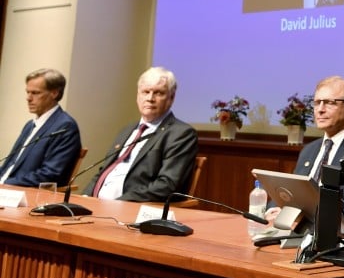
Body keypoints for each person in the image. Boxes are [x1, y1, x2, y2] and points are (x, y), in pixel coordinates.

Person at [264, 75, 344, 225]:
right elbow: (292, 194)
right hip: (296, 230)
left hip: (335, 234)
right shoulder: (308, 150)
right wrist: (272, 210)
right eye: (316, 103)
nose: (320, 110)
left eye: (329, 103)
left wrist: (313, 214)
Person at [83, 67, 198, 202]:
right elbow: (103, 171)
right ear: (138, 95)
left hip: (131, 209)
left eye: (158, 93)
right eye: (145, 92)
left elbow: (167, 185)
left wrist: (120, 202)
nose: (150, 98)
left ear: (171, 98)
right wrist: (84, 198)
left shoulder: (180, 134)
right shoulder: (128, 130)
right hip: (96, 206)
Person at [0, 68, 82, 187]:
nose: (28, 98)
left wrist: (4, 183)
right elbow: (10, 165)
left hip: (27, 194)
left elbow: (50, 174)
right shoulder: (30, 125)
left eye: (35, 93)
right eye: (27, 92)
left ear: (54, 93)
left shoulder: (65, 126)